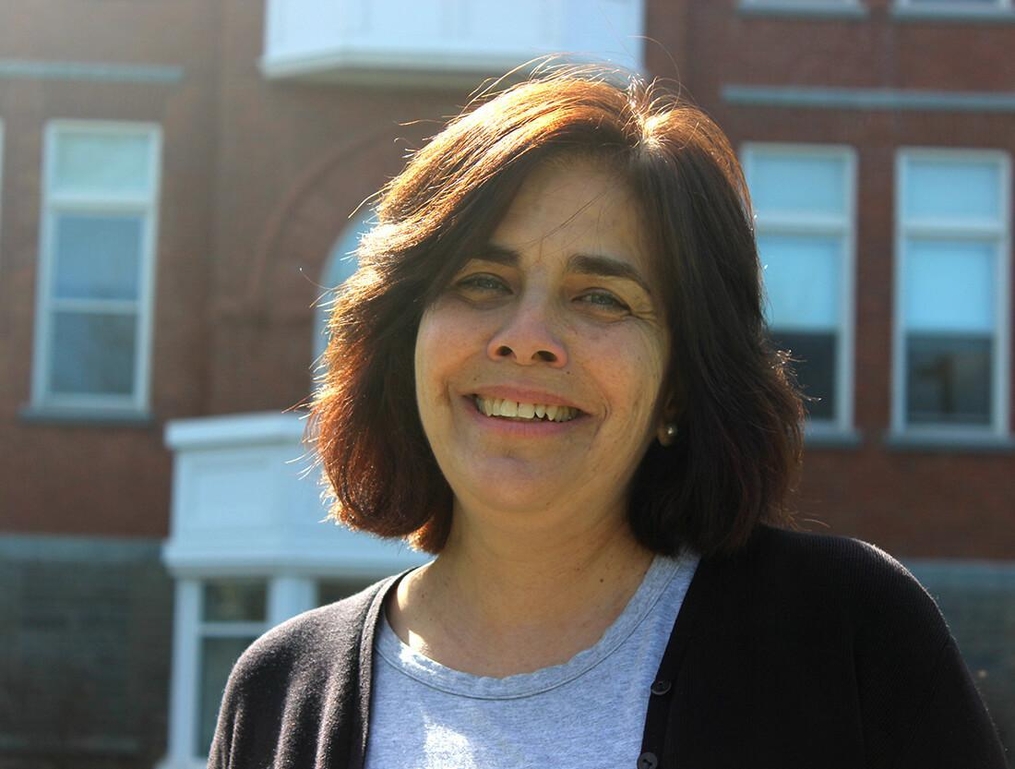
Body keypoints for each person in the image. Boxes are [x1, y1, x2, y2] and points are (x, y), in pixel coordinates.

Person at [208, 67, 1007, 769]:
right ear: (401, 337)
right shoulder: (281, 691)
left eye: (600, 297)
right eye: (481, 281)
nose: (525, 339)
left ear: (680, 384)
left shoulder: (842, 636)